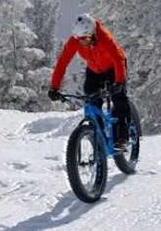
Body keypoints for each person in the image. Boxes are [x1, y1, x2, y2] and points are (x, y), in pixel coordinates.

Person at [49, 14, 131, 150]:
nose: (83, 42)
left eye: (86, 38)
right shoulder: (75, 40)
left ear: (93, 33)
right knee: (91, 99)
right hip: (94, 70)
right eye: (80, 39)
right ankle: (98, 135)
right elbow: (62, 63)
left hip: (113, 67)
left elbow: (118, 58)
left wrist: (119, 82)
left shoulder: (104, 38)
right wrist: (54, 87)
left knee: (119, 97)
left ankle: (122, 136)